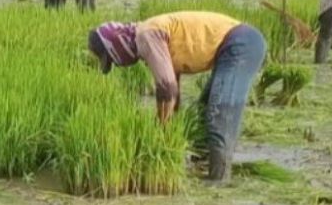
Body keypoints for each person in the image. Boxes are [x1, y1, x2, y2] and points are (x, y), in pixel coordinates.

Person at [88, 12, 267, 182]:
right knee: (204, 109)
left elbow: (167, 88)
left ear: (115, 43)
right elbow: (174, 91)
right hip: (237, 43)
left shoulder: (146, 36)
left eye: (112, 59)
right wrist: (170, 127)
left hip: (241, 43)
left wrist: (161, 131)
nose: (118, 64)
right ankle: (203, 164)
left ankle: (219, 180)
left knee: (218, 113)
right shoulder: (151, 35)